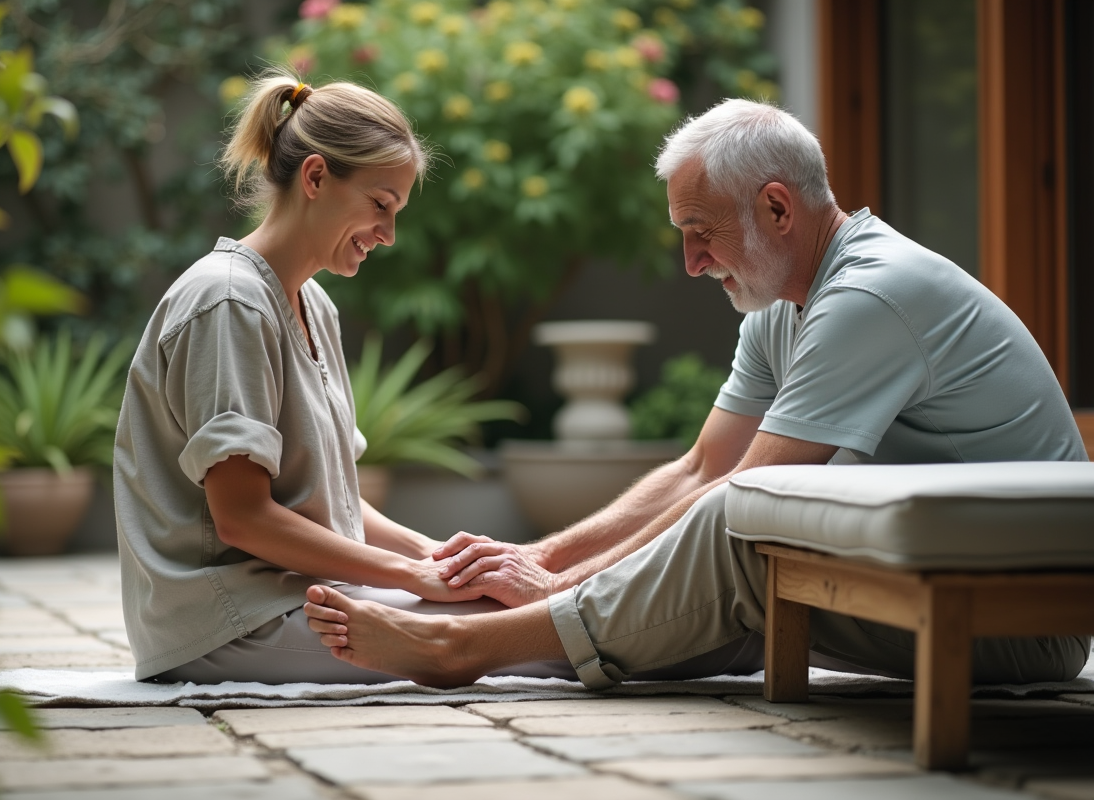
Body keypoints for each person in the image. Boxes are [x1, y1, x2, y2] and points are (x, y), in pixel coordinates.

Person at [301, 98, 1091, 689]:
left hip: (1017, 622)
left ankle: (465, 650)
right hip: (914, 583)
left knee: (741, 532)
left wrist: (563, 584)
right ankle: (536, 632)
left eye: (700, 231)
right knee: (709, 572)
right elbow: (700, 467)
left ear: (777, 208)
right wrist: (538, 557)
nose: (691, 262)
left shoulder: (871, 296)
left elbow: (742, 490)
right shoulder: (786, 306)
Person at [114, 72, 573, 684]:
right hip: (225, 623)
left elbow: (333, 497)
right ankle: (709, 639)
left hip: (297, 597)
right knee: (530, 635)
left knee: (520, 611)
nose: (388, 234)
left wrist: (435, 556)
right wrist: (412, 579)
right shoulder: (229, 301)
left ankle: (699, 633)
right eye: (380, 205)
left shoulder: (311, 302)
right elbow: (242, 517)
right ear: (314, 178)